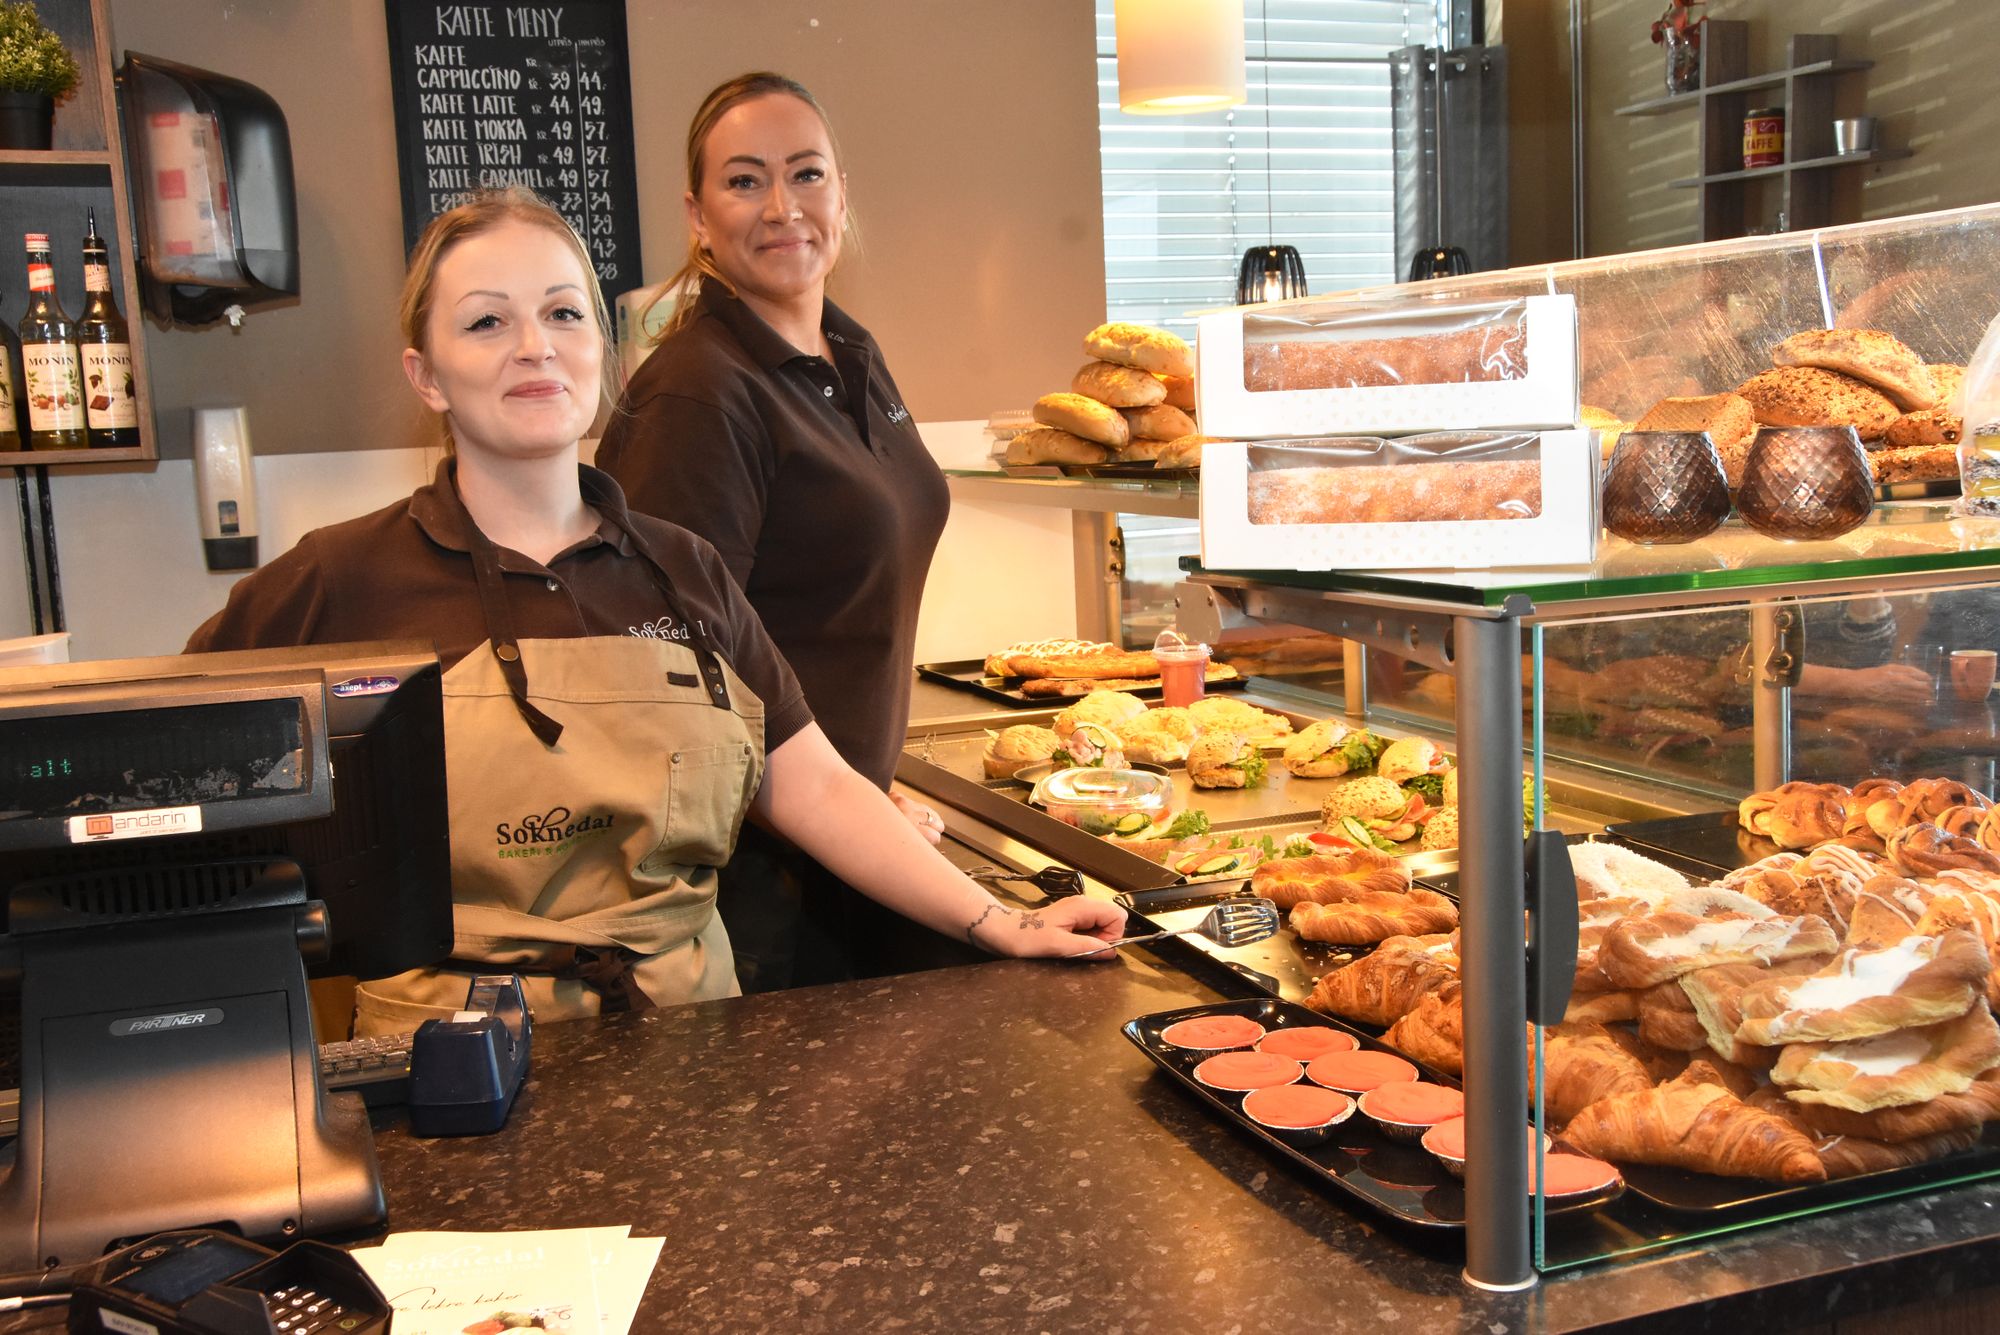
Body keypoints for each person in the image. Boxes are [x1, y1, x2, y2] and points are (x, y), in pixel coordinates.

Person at [185, 187, 1122, 1037]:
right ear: (426, 375)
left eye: (562, 314)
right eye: (485, 323)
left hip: (691, 1053)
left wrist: (1004, 920)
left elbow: (817, 786)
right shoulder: (343, 579)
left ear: (600, 348)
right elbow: (176, 768)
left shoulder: (684, 572)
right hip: (444, 1074)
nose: (533, 347)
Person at [594, 73, 952, 991]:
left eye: (807, 175)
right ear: (698, 214)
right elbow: (676, 676)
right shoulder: (699, 392)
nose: (782, 207)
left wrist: (870, 785)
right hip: (756, 887)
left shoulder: (851, 352)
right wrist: (842, 806)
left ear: (842, 194)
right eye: (745, 181)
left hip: (842, 845)